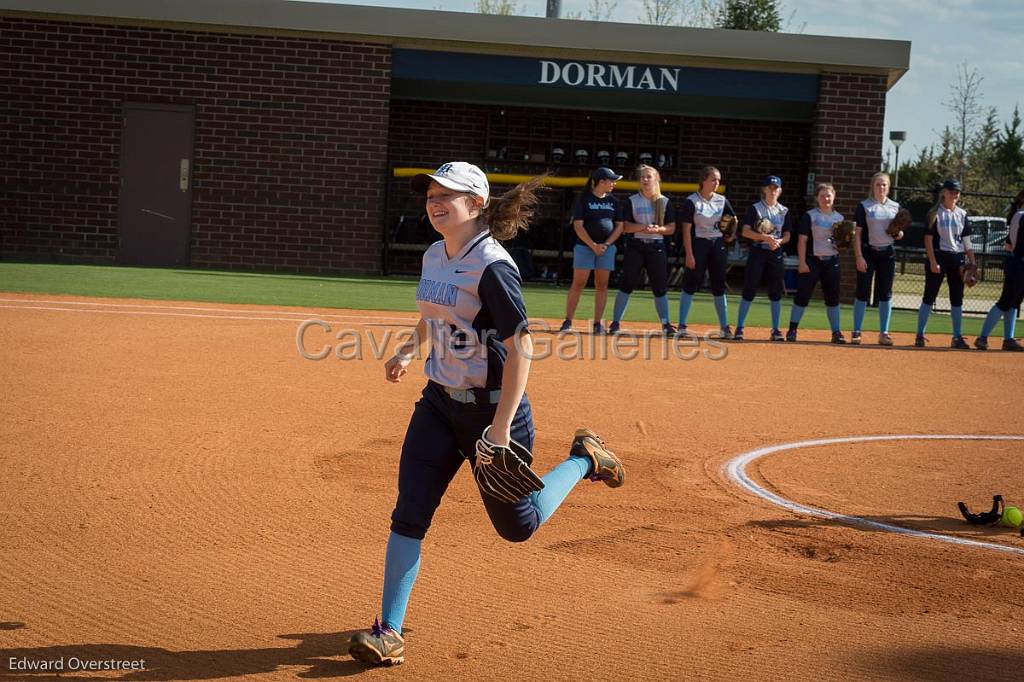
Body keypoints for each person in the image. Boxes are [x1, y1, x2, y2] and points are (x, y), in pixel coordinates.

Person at [348, 162, 625, 667]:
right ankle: (387, 630)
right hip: (437, 405)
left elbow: (523, 347)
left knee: (519, 527)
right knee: (409, 511)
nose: (434, 203)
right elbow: (436, 312)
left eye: (446, 196)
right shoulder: (435, 253)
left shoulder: (493, 266)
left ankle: (584, 458)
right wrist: (410, 350)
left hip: (494, 416)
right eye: (430, 194)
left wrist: (498, 432)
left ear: (475, 205)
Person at [609, 164, 677, 335]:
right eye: (642, 177)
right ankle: (615, 323)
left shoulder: (663, 202)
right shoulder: (633, 200)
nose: (645, 180)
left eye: (649, 177)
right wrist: (642, 227)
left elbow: (671, 228)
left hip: (657, 247)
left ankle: (666, 324)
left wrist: (658, 230)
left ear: (656, 180)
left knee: (659, 287)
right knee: (627, 284)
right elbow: (625, 227)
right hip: (637, 246)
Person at [559, 167, 624, 334]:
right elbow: (578, 226)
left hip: (606, 249)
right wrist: (593, 245)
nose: (614, 183)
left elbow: (619, 226)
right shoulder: (584, 199)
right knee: (578, 283)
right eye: (611, 180)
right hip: (584, 247)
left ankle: (597, 323)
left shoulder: (613, 201)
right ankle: (568, 320)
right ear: (601, 181)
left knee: (602, 285)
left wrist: (607, 244)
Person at [915, 179, 976, 348]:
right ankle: (919, 334)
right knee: (929, 296)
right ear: (944, 193)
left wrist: (973, 262)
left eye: (957, 192)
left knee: (957, 299)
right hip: (939, 256)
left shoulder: (962, 214)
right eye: (951, 191)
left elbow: (967, 241)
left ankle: (957, 337)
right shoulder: (935, 213)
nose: (954, 195)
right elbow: (928, 239)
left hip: (957, 259)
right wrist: (933, 260)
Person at [678, 166, 737, 338]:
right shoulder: (692, 201)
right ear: (703, 180)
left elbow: (733, 219)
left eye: (718, 180)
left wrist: (730, 236)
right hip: (699, 244)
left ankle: (724, 327)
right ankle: (681, 325)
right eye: (713, 179)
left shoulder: (722, 200)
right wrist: (689, 254)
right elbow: (686, 230)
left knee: (718, 285)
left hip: (717, 243)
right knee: (691, 283)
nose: (716, 183)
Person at [787, 182, 846, 344]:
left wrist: (844, 242)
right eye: (822, 196)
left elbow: (842, 245)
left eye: (829, 195)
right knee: (803, 295)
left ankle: (836, 332)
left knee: (833, 297)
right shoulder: (810, 216)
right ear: (817, 199)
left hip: (831, 261)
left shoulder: (840, 219)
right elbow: (802, 241)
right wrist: (802, 262)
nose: (826, 198)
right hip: (813, 260)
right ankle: (792, 329)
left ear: (834, 197)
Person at [734, 175, 791, 341]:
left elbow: (787, 234)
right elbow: (745, 231)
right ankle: (739, 327)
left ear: (780, 191)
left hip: (775, 252)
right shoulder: (756, 208)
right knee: (750, 288)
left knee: (775, 291)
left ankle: (775, 330)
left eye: (776, 188)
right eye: (770, 188)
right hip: (758, 251)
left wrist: (778, 241)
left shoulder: (784, 210)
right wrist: (764, 238)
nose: (773, 191)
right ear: (764, 189)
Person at [851, 172, 904, 346]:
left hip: (887, 254)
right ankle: (857, 331)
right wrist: (858, 256)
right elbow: (857, 234)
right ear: (872, 186)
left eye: (884, 185)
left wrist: (899, 233)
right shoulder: (864, 206)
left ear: (888, 187)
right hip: (868, 252)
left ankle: (884, 333)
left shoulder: (895, 207)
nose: (881, 188)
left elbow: (899, 233)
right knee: (862, 292)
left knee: (885, 293)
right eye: (878, 185)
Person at [973, 188, 1024, 351]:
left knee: (1013, 303)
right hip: (1018, 264)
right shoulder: (1021, 215)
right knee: (1005, 302)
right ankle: (982, 338)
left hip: (1017, 263)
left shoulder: (1018, 215)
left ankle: (1008, 339)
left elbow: (1009, 245)